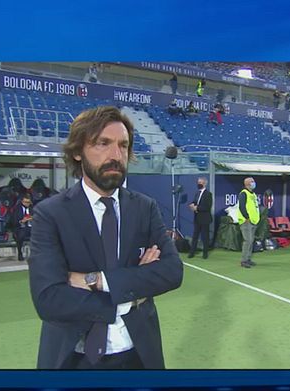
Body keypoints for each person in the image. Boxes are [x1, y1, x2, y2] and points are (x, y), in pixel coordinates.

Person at [28, 106, 183, 370]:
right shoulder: (50, 213)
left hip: (139, 356)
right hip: (74, 359)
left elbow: (172, 271)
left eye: (123, 145)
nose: (116, 155)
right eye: (103, 143)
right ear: (78, 152)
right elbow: (49, 299)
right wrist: (131, 293)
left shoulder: (145, 208)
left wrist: (95, 280)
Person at [188, 177, 212, 259]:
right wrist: (192, 205)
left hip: (205, 219)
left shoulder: (208, 194)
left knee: (205, 237)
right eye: (198, 182)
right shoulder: (197, 193)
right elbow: (195, 202)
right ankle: (192, 252)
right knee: (195, 236)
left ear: (204, 183)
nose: (198, 184)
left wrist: (197, 208)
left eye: (200, 182)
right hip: (197, 218)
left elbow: (207, 207)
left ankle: (205, 253)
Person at [237, 177, 259, 268]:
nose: (253, 183)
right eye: (252, 181)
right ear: (247, 184)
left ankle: (248, 259)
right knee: (248, 241)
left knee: (251, 241)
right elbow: (241, 207)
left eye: (253, 181)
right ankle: (244, 260)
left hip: (254, 221)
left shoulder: (253, 194)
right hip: (246, 221)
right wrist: (247, 217)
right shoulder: (243, 193)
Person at [11, 194, 33, 261]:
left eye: (28, 202)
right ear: (22, 202)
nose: (27, 204)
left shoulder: (32, 208)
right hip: (20, 227)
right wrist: (21, 221)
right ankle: (20, 253)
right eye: (25, 202)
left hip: (31, 227)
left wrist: (32, 218)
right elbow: (13, 221)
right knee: (21, 235)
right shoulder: (17, 209)